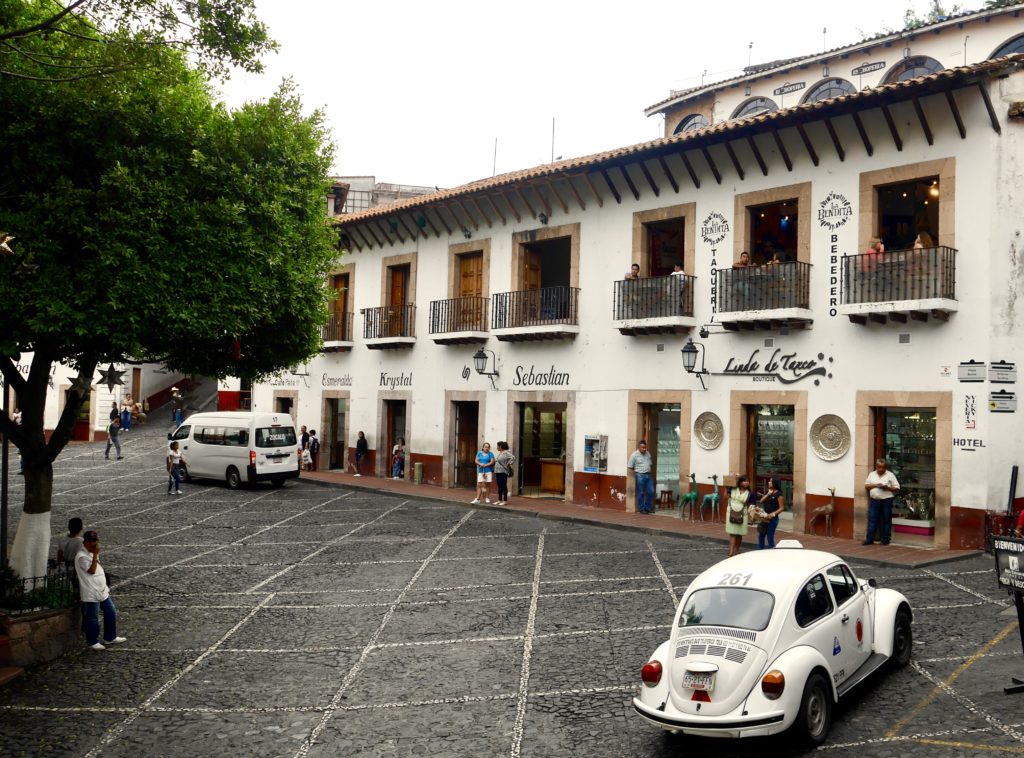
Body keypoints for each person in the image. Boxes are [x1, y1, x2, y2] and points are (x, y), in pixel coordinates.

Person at [74, 530, 126, 650]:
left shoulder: (92, 552)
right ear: (85, 542)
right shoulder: (82, 556)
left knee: (111, 612)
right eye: (91, 541)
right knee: (92, 617)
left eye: (95, 541)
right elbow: (92, 570)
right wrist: (96, 554)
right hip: (91, 592)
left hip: (102, 590)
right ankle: (92, 641)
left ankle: (110, 637)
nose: (94, 544)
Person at [864, 458, 900, 545]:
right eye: (879, 467)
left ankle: (885, 540)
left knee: (886, 520)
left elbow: (897, 488)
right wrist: (876, 485)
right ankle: (869, 540)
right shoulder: (872, 474)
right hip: (874, 501)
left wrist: (887, 487)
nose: (881, 469)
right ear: (876, 467)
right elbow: (866, 486)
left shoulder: (890, 475)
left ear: (885, 467)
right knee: (872, 520)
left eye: (883, 467)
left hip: (886, 501)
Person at [726, 475, 755, 557]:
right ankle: (731, 552)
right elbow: (726, 497)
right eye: (744, 481)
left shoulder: (750, 493)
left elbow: (751, 505)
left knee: (739, 533)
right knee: (732, 533)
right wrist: (727, 486)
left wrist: (752, 516)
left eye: (748, 481)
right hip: (731, 511)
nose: (746, 483)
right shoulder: (733, 489)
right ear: (740, 482)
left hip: (743, 513)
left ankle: (736, 550)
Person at [756, 477, 785, 549]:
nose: (769, 482)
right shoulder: (769, 492)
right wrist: (768, 494)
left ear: (775, 483)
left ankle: (772, 553)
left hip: (773, 519)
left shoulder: (779, 495)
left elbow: (782, 508)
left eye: (771, 481)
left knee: (770, 537)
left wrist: (772, 514)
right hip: (765, 518)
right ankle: (760, 552)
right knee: (761, 535)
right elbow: (761, 501)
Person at [627, 440, 654, 515]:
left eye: (645, 447)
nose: (644, 449)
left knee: (651, 491)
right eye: (642, 447)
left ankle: (647, 508)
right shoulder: (634, 455)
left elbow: (650, 464)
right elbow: (630, 466)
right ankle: (641, 509)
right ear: (639, 447)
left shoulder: (648, 453)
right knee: (641, 492)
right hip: (640, 475)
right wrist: (638, 471)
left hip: (648, 475)